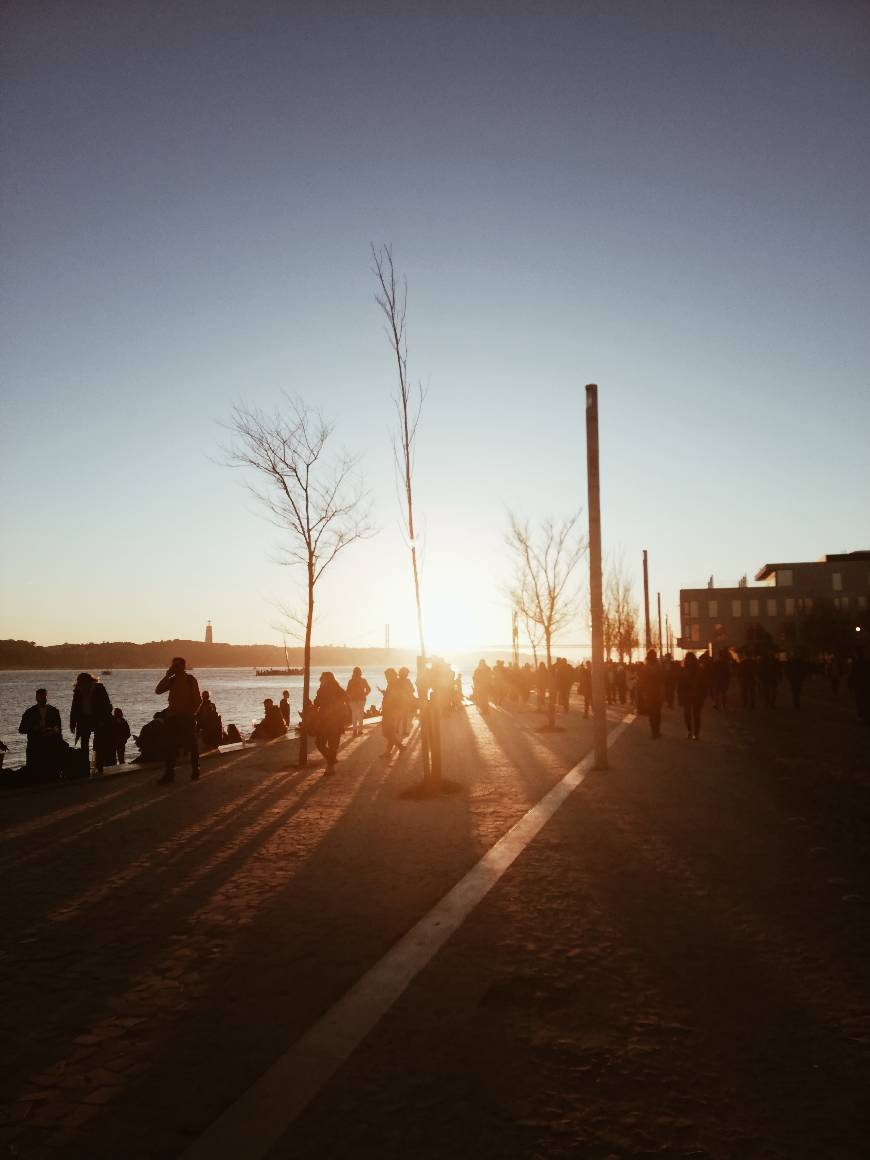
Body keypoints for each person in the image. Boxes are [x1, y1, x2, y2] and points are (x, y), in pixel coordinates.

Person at [155, 657, 201, 784]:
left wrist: (191, 714)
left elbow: (198, 700)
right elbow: (158, 691)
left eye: (177, 666)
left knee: (192, 746)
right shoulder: (172, 680)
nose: (175, 668)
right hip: (173, 718)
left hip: (186, 718)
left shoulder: (190, 680)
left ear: (183, 667)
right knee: (169, 747)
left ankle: (195, 770)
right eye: (173, 666)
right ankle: (169, 775)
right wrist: (167, 676)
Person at [70, 672, 114, 774]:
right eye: (80, 684)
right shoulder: (78, 690)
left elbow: (107, 704)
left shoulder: (99, 688)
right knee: (84, 743)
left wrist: (103, 720)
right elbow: (75, 708)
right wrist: (72, 723)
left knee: (98, 743)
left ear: (89, 682)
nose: (83, 686)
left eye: (84, 683)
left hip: (98, 719)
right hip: (84, 720)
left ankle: (99, 764)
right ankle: (85, 765)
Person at [18, 688, 65, 778]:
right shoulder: (29, 712)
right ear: (36, 698)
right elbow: (21, 729)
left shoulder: (54, 711)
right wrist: (34, 728)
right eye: (40, 697)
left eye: (43, 697)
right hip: (36, 743)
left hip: (50, 742)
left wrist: (54, 731)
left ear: (46, 697)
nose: (42, 699)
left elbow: (59, 728)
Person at [312, 671, 350, 773]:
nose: (322, 681)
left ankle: (330, 765)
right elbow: (346, 698)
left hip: (328, 720)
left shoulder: (324, 689)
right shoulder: (337, 688)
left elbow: (317, 702)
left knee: (321, 743)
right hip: (335, 720)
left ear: (325, 679)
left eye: (323, 679)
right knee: (332, 743)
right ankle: (331, 762)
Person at [678, 652, 706, 740]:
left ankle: (694, 733)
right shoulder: (684, 670)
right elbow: (680, 685)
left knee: (694, 715)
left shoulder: (698, 670)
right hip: (690, 696)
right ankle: (691, 731)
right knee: (689, 715)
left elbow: (703, 685)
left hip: (695, 695)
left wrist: (703, 696)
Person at [637, 650, 663, 739]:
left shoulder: (645, 668)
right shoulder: (659, 667)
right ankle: (657, 730)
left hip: (648, 693)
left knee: (651, 713)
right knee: (657, 713)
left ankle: (653, 731)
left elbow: (641, 682)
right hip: (658, 692)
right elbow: (662, 681)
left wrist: (643, 693)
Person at [380, 668, 406, 756]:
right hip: (391, 711)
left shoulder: (394, 684)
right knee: (389, 732)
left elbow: (395, 698)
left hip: (390, 712)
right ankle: (388, 751)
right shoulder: (394, 683)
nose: (386, 678)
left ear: (391, 675)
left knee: (387, 732)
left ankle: (400, 747)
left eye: (387, 676)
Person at [346, 667, 371, 737]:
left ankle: (354, 730)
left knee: (354, 714)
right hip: (361, 699)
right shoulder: (363, 680)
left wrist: (349, 696)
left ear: (353, 672)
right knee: (360, 715)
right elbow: (369, 689)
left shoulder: (351, 681)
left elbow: (347, 691)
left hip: (352, 700)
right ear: (360, 672)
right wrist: (364, 694)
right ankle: (360, 730)